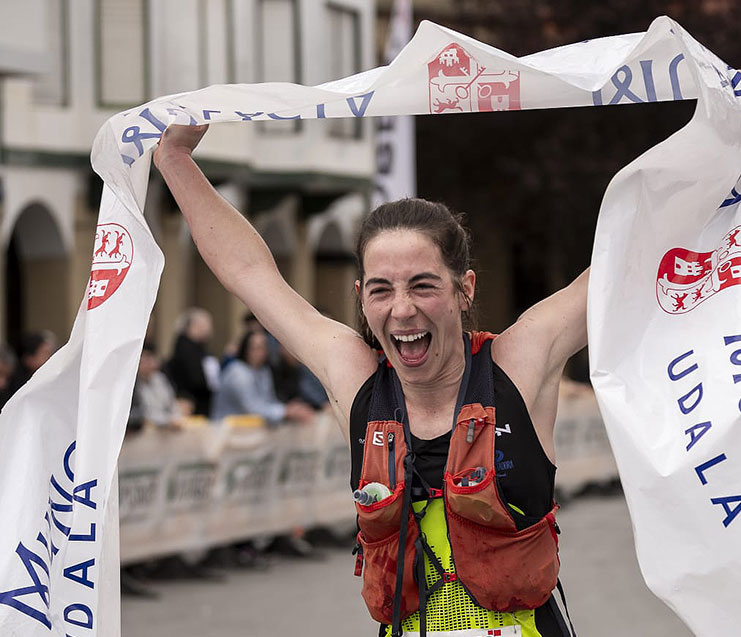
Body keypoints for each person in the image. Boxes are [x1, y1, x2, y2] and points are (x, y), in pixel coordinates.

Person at [155, 124, 587, 637]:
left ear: (464, 288)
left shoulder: (518, 365)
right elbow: (250, 273)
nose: (402, 310)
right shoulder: (357, 381)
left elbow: (617, 269)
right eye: (381, 290)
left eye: (423, 286)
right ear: (361, 297)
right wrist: (174, 158)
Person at [211, 330, 316, 425]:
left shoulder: (263, 371)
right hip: (226, 431)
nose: (260, 352)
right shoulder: (238, 372)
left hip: (249, 431)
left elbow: (269, 401)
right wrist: (286, 411)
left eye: (264, 347)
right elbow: (252, 408)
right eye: (255, 348)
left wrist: (291, 408)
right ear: (245, 349)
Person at [165, 308, 217, 416]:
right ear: (194, 326)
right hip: (191, 403)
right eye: (206, 324)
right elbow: (196, 379)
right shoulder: (186, 349)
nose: (209, 329)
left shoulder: (197, 348)